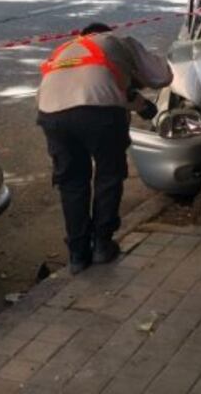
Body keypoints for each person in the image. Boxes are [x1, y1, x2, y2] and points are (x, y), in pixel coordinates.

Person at [37, 22, 173, 274]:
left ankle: (78, 254)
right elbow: (161, 76)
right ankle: (101, 244)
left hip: (51, 115)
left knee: (72, 183)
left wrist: (141, 105)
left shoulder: (65, 50)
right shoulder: (118, 42)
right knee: (109, 176)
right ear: (106, 32)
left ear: (82, 36)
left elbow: (106, 87)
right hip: (99, 115)